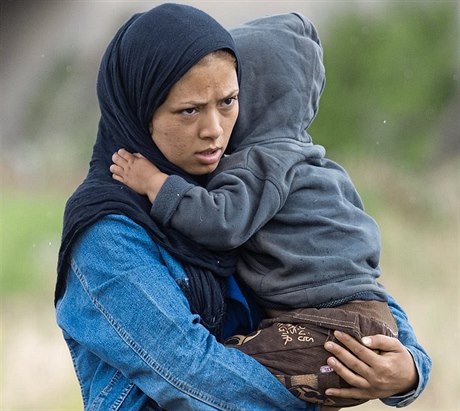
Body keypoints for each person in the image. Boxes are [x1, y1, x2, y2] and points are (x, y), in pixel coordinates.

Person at [55, 4, 430, 410]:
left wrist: (408, 370)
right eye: (189, 110)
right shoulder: (108, 232)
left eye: (229, 101)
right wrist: (316, 387)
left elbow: (345, 280)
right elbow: (189, 371)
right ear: (140, 110)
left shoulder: (243, 185)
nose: (214, 129)